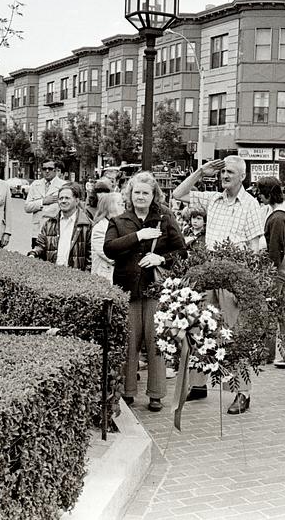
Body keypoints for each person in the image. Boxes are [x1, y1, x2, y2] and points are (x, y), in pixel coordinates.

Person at [171, 156, 263, 414]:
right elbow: (179, 193)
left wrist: (247, 286)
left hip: (233, 279)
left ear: (242, 176)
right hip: (208, 275)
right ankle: (198, 384)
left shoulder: (251, 205)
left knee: (233, 335)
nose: (225, 176)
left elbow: (256, 247)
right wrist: (201, 171)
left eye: (231, 172)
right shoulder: (213, 199)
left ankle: (242, 393)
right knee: (200, 331)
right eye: (223, 172)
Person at [104, 171, 187, 412]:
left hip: (155, 291)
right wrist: (138, 236)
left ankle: (156, 395)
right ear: (130, 194)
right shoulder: (119, 221)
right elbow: (110, 248)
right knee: (129, 341)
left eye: (145, 193)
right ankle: (128, 392)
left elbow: (181, 252)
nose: (140, 196)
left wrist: (159, 258)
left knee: (156, 343)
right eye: (137, 192)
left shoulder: (164, 218)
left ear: (154, 196)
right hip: (128, 290)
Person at [255, 177, 285, 365]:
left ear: (269, 193)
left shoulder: (278, 217)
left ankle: (267, 352)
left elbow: (275, 249)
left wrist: (268, 271)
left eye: (260, 192)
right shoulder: (282, 214)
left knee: (270, 307)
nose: (258, 196)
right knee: (283, 308)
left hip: (278, 265)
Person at [27, 182, 93, 270]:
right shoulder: (50, 223)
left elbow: (91, 255)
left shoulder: (87, 225)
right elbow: (41, 245)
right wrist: (33, 253)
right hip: (53, 274)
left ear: (77, 201)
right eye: (61, 198)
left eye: (67, 198)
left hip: (76, 277)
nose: (63, 201)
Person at [24, 160, 66, 249]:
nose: (47, 171)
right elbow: (27, 207)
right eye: (44, 169)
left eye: (50, 169)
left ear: (55, 170)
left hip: (55, 231)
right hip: (37, 231)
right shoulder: (36, 185)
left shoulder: (63, 185)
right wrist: (43, 201)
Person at [91, 192, 125, 281]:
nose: (124, 207)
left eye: (123, 204)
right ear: (109, 207)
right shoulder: (99, 228)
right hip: (105, 277)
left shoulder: (122, 225)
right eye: (120, 204)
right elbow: (109, 256)